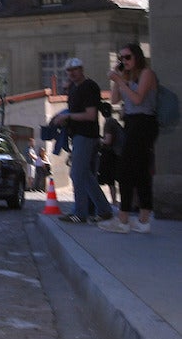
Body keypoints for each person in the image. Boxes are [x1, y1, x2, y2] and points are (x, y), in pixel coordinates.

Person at [103, 43, 159, 233]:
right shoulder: (127, 76)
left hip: (144, 123)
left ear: (137, 57)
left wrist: (119, 81)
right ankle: (143, 220)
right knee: (140, 171)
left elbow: (137, 100)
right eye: (121, 58)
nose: (124, 61)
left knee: (125, 170)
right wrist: (117, 80)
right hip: (132, 123)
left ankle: (124, 219)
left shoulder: (147, 74)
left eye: (127, 57)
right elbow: (115, 100)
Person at [50, 58, 111, 224]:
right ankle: (95, 210)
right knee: (84, 174)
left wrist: (67, 116)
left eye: (75, 70)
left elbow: (90, 115)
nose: (71, 73)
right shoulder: (75, 88)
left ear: (81, 69)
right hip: (78, 135)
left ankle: (86, 211)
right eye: (69, 71)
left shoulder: (89, 87)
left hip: (86, 135)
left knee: (78, 173)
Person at [96, 103, 123, 210]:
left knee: (110, 180)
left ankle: (114, 202)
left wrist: (99, 140)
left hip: (112, 155)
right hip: (117, 154)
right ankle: (116, 202)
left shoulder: (108, 123)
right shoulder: (115, 122)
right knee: (115, 180)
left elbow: (108, 140)